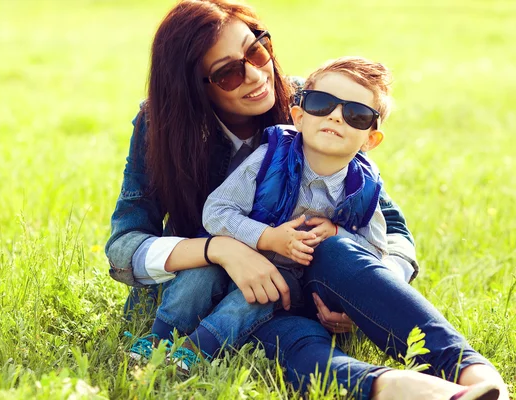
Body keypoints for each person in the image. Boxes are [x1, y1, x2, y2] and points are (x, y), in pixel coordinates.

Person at [105, 1, 508, 399]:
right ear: (193, 87)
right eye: (227, 72)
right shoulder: (162, 124)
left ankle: (471, 372)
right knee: (294, 344)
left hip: (307, 279)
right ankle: (398, 387)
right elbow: (125, 246)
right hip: (222, 292)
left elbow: (389, 224)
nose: (255, 75)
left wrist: (366, 292)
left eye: (256, 49)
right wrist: (223, 249)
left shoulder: (317, 103)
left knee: (336, 247)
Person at [150, 56, 393, 366]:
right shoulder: (270, 158)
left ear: (370, 139)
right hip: (235, 252)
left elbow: (375, 256)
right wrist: (267, 238)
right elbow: (217, 210)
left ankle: (196, 351)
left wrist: (337, 233)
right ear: (299, 117)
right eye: (322, 103)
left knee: (256, 297)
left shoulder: (364, 190)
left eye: (356, 114)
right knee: (197, 276)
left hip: (290, 281)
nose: (335, 117)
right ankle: (158, 337)